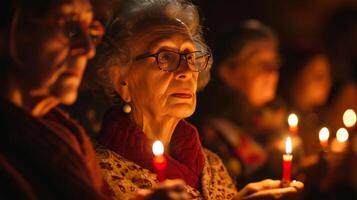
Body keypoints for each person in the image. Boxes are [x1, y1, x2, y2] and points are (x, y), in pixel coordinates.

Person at [92, 0, 304, 199]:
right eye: (165, 56)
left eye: (190, 56)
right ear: (120, 79)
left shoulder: (212, 165)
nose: (186, 70)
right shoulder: (96, 172)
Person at [0, 0, 109, 199]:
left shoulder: (69, 137)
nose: (88, 49)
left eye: (93, 33)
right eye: (70, 27)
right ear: (14, 32)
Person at [191, 20, 287, 186]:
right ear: (228, 71)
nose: (272, 72)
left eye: (274, 62)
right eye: (261, 63)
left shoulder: (275, 122)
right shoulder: (212, 135)